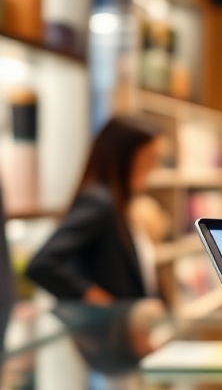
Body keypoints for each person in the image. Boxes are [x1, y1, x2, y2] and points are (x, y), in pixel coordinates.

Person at [28, 116, 163, 303]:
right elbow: (42, 264)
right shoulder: (99, 202)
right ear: (126, 156)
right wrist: (94, 297)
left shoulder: (119, 203)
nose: (155, 166)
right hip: (108, 326)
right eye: (150, 157)